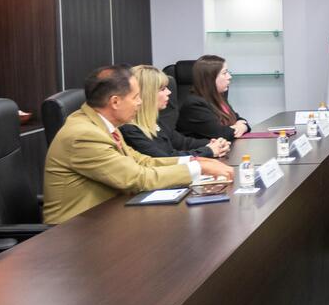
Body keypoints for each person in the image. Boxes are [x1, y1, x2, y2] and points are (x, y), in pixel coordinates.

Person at [43, 65, 234, 224]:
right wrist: (198, 168)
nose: (141, 102)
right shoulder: (84, 135)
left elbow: (142, 161)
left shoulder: (103, 124)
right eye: (135, 97)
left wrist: (194, 161)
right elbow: (137, 178)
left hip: (106, 217)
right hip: (74, 231)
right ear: (115, 101)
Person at [121, 65, 231, 159]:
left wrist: (216, 143)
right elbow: (166, 159)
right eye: (163, 89)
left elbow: (183, 143)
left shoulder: (156, 122)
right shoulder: (130, 130)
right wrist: (209, 150)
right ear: (148, 95)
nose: (169, 92)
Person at [177, 55, 250, 140]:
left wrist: (243, 127)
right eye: (224, 73)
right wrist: (240, 127)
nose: (229, 77)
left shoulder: (219, 97)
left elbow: (239, 119)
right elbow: (221, 134)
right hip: (203, 148)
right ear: (210, 78)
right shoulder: (194, 105)